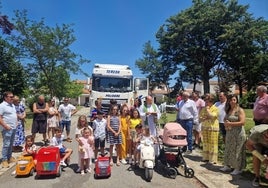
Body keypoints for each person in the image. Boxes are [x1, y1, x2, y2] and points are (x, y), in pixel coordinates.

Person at [219, 94, 246, 175]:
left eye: (234, 100)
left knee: (237, 150)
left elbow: (243, 122)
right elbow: (225, 119)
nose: (232, 101)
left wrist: (230, 124)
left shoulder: (240, 110)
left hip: (238, 133)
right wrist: (225, 123)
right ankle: (227, 165)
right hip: (230, 133)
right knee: (228, 149)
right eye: (230, 100)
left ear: (236, 100)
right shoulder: (228, 110)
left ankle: (238, 168)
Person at [199, 94, 219, 164]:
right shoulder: (203, 109)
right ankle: (206, 157)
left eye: (207, 102)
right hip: (205, 127)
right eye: (205, 101)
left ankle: (212, 159)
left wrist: (207, 110)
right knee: (205, 143)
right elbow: (200, 118)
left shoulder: (215, 108)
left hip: (212, 128)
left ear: (211, 102)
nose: (206, 103)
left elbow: (212, 116)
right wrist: (204, 118)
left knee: (212, 144)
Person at [0, 91, 17, 168]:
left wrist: (16, 122)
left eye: (12, 96)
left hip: (13, 127)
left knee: (11, 143)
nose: (12, 98)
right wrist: (5, 126)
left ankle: (9, 157)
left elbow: (14, 114)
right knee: (6, 144)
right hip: (6, 128)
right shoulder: (2, 106)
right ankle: (4, 160)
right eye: (10, 97)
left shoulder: (12, 105)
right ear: (5, 97)